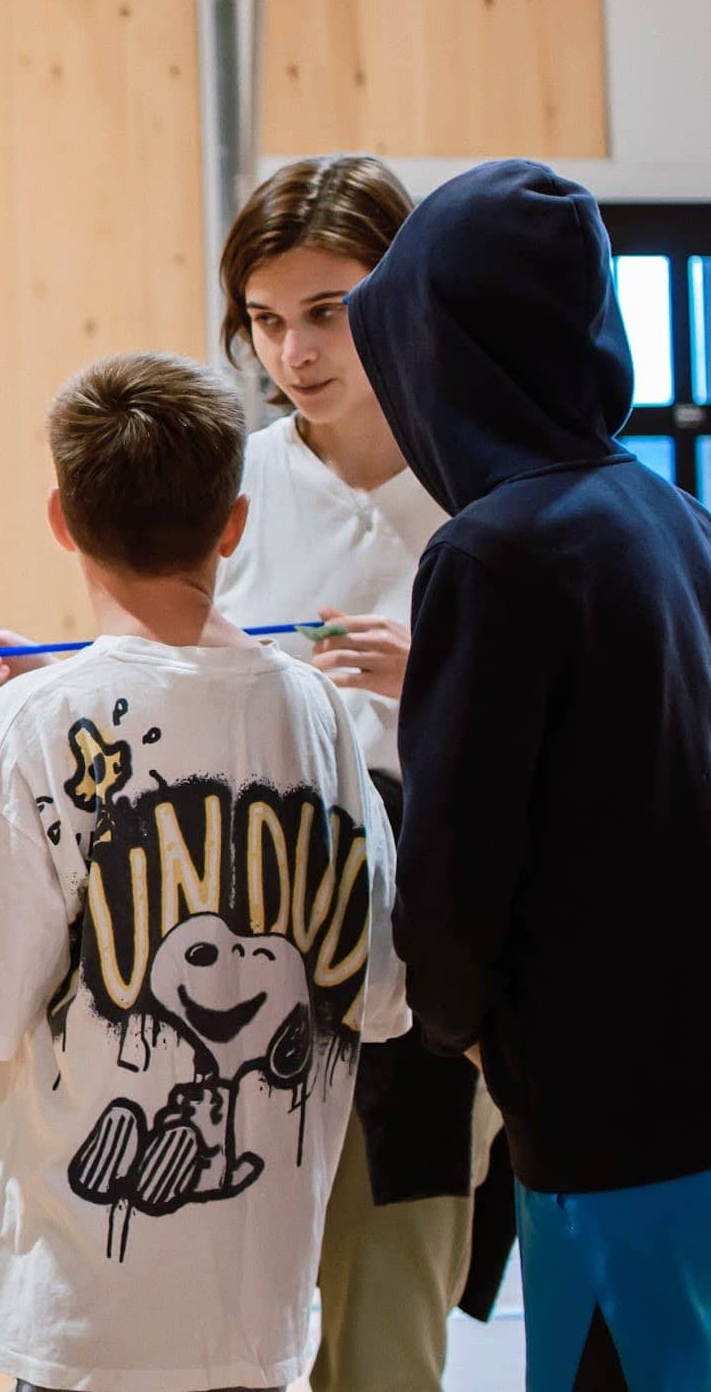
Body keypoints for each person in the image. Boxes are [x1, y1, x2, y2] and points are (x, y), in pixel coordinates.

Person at [0, 156, 506, 1388]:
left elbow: (571, 747)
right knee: (211, 1343)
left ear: (402, 299)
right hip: (239, 924)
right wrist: (47, 691)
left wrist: (447, 692)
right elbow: (163, 680)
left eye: (328, 312)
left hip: (415, 952)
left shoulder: (486, 496)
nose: (293, 352)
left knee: (385, 1336)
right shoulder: (235, 482)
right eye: (264, 319)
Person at [0, 351, 408, 1391]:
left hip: (89, 1331)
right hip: (261, 1315)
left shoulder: (33, 721)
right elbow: (376, 990)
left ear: (62, 519)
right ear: (233, 524)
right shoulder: (324, 716)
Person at [348, 159, 711, 1390]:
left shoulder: (493, 551)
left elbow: (459, 856)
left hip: (596, 1095)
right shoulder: (671, 517)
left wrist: (454, 1022)